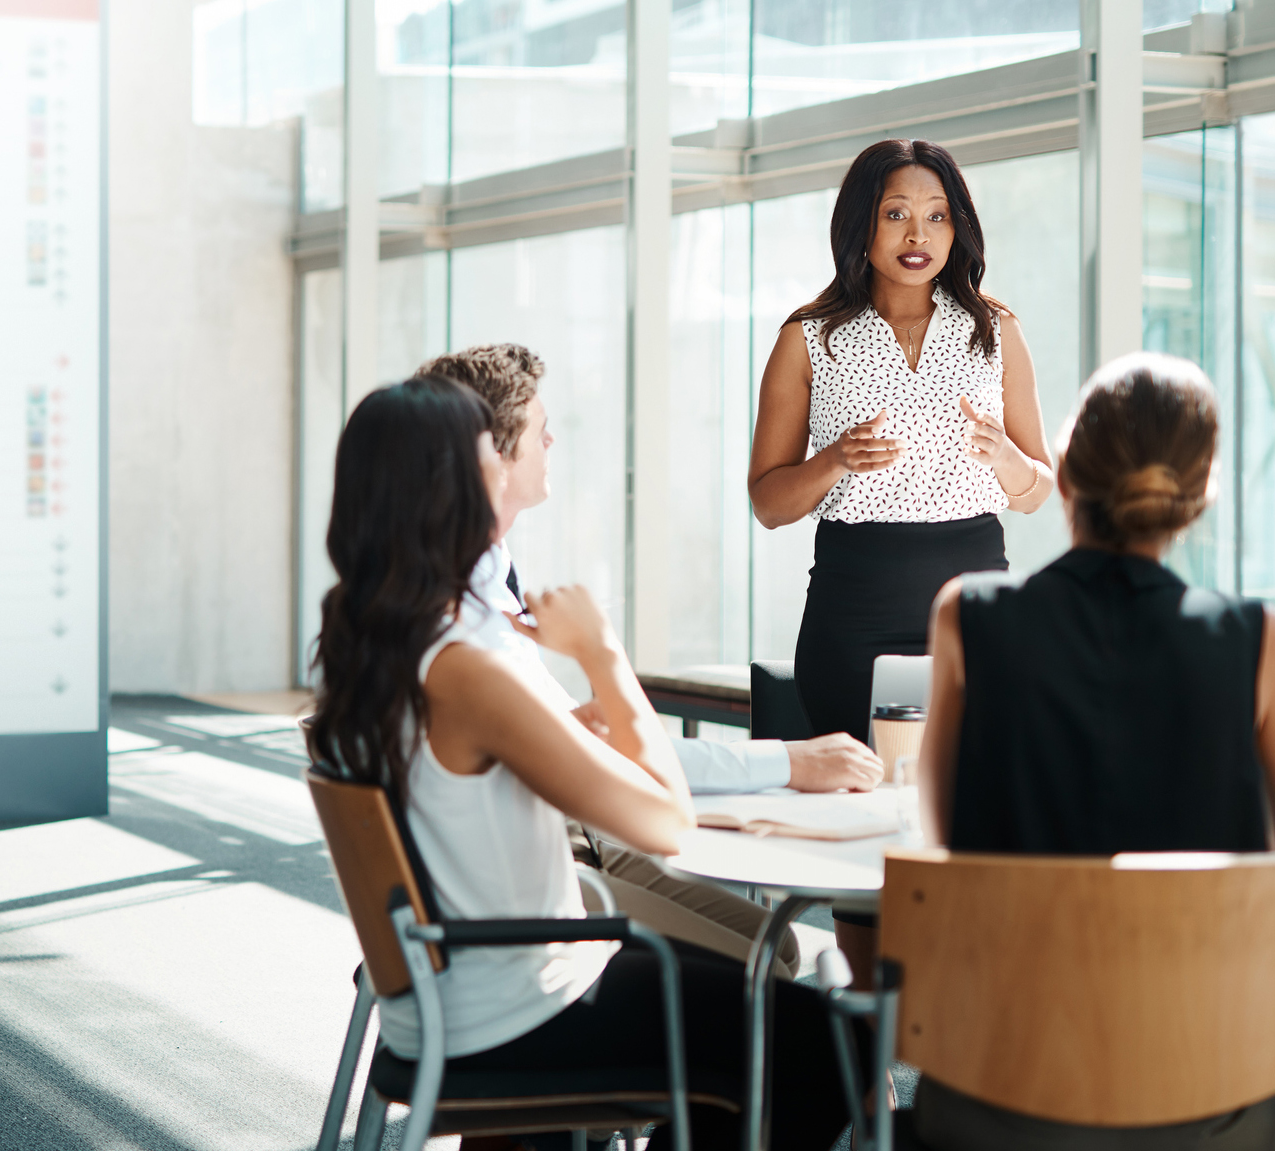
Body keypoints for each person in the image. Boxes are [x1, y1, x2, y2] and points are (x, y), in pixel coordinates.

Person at [308, 376, 854, 1151]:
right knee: (825, 1046)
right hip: (521, 1006)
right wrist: (605, 656)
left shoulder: (373, 644)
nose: (502, 472)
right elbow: (664, 820)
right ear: (450, 490)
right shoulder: (465, 667)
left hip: (457, 994)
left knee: (759, 1032)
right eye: (485, 461)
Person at [909, 352, 1275, 1150]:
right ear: (1197, 498)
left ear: (1064, 474)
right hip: (1214, 1094)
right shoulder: (1255, 640)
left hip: (995, 1088)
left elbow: (936, 843)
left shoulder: (966, 615)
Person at [418, 342, 883, 974]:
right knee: (768, 967)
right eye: (537, 428)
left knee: (781, 945)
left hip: (545, 849)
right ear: (489, 455)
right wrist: (601, 652)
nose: (552, 439)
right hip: (533, 890)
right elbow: (650, 805)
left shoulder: (474, 593)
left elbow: (587, 749)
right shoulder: (466, 635)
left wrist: (571, 730)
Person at [747, 137, 1055, 746]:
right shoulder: (808, 337)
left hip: (976, 616)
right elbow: (768, 504)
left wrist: (1004, 457)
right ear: (860, 223)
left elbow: (1036, 490)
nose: (919, 235)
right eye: (896, 215)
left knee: (973, 796)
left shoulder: (996, 330)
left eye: (937, 216)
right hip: (853, 616)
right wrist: (834, 459)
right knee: (865, 790)